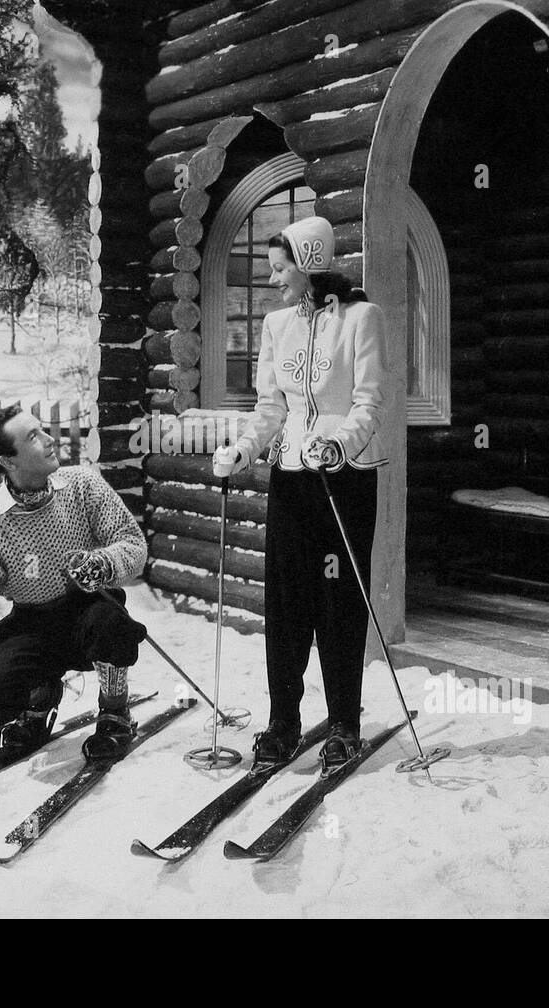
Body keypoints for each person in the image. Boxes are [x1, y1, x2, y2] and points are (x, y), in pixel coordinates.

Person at [212, 215, 388, 775]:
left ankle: (343, 723)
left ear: (310, 265)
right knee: (286, 602)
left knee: (339, 600)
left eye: (280, 268)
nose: (272, 280)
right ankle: (283, 721)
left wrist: (340, 443)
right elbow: (272, 409)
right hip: (292, 476)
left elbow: (368, 403)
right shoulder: (278, 325)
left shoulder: (362, 318)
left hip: (346, 476)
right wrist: (245, 448)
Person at [0, 405, 149, 763]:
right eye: (33, 437)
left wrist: (103, 563)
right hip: (32, 624)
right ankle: (39, 699)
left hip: (89, 608)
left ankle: (114, 712)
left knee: (111, 624)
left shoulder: (82, 484)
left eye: (42, 430)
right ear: (9, 462)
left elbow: (133, 544)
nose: (49, 440)